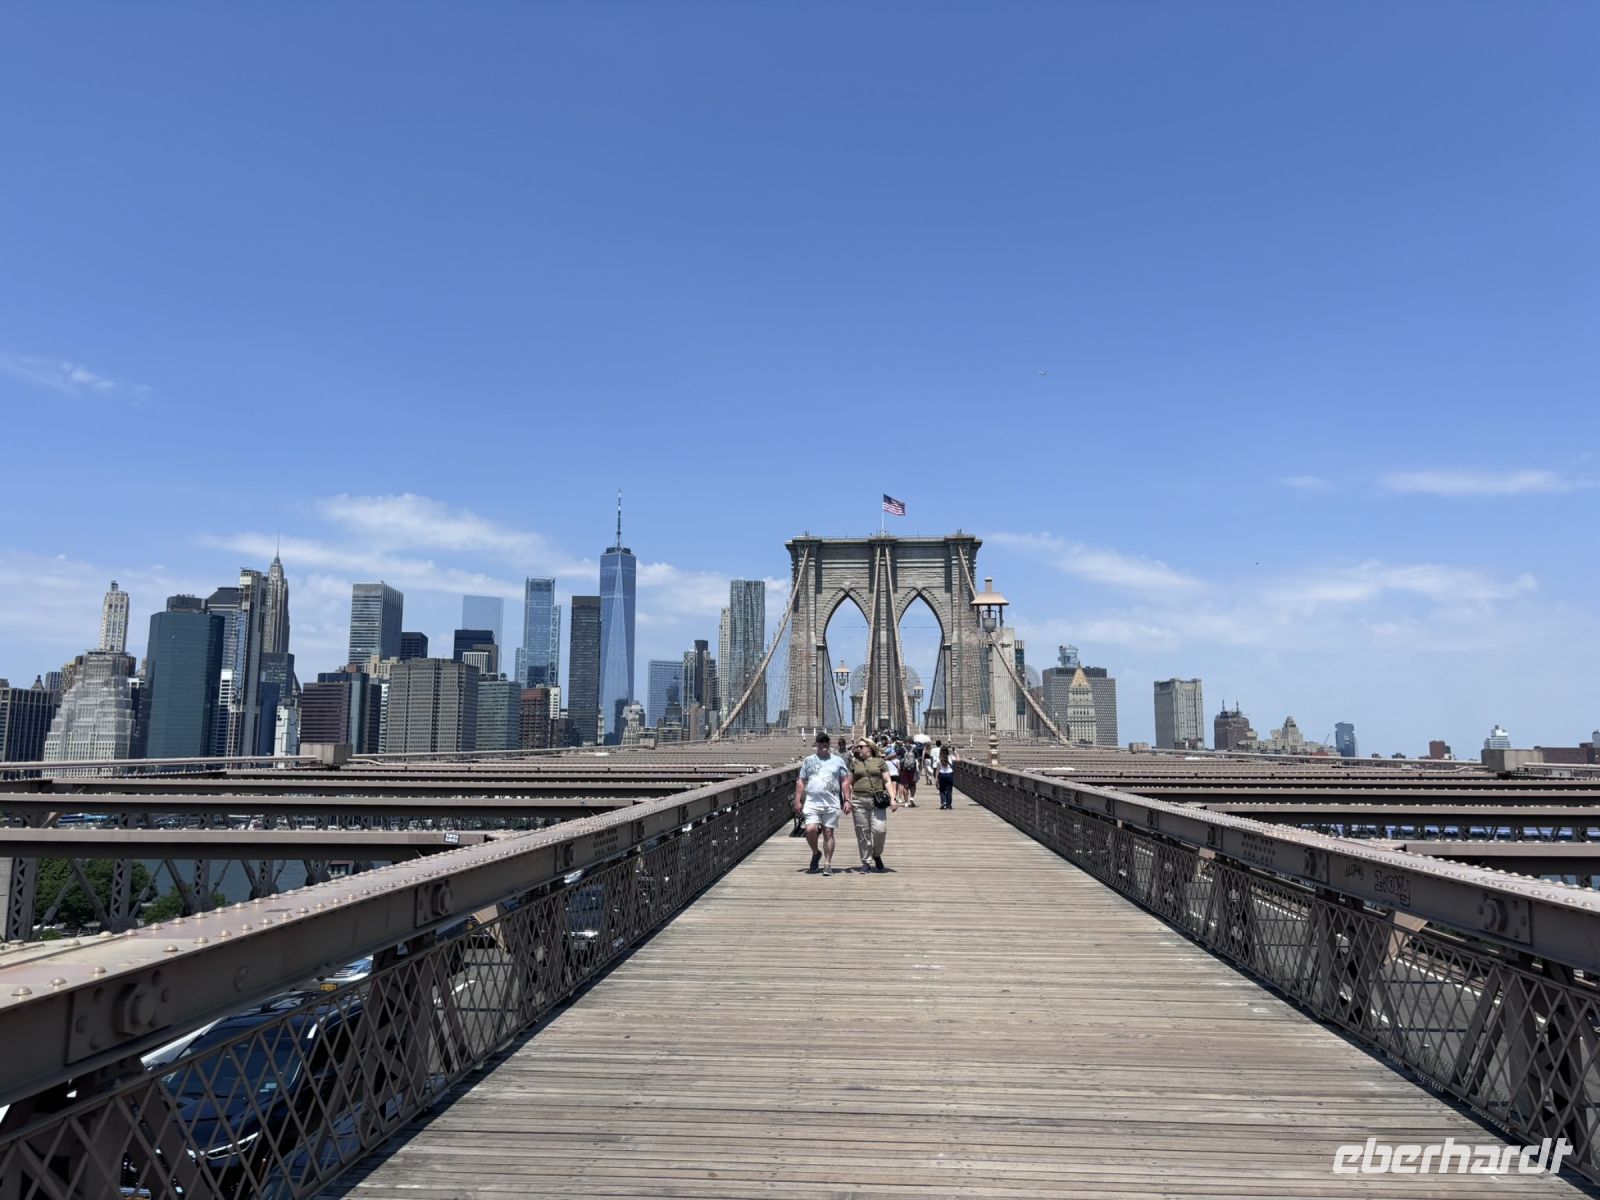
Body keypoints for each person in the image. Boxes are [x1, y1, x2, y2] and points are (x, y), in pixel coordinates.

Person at [794, 732, 852, 876]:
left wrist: (847, 799)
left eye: (826, 741)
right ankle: (816, 853)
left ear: (829, 743)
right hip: (812, 801)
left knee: (828, 832)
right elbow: (801, 781)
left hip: (832, 802)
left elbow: (845, 781)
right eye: (821, 742)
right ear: (817, 744)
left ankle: (827, 863)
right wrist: (797, 800)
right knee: (810, 829)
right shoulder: (808, 760)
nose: (824, 744)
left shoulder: (838, 761)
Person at [848, 738, 897, 871]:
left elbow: (887, 780)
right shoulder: (854, 763)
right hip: (858, 800)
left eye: (861, 746)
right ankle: (866, 861)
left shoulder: (880, 762)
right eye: (857, 747)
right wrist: (848, 799)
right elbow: (850, 783)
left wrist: (893, 798)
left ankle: (876, 854)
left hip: (877, 801)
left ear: (869, 748)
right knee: (862, 832)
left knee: (880, 830)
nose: (858, 749)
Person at [937, 744, 958, 809]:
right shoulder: (950, 757)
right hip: (949, 774)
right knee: (949, 790)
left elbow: (938, 769)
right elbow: (958, 760)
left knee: (942, 789)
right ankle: (949, 804)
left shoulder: (939, 758)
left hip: (942, 774)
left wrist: (936, 779)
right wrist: (955, 752)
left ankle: (943, 802)